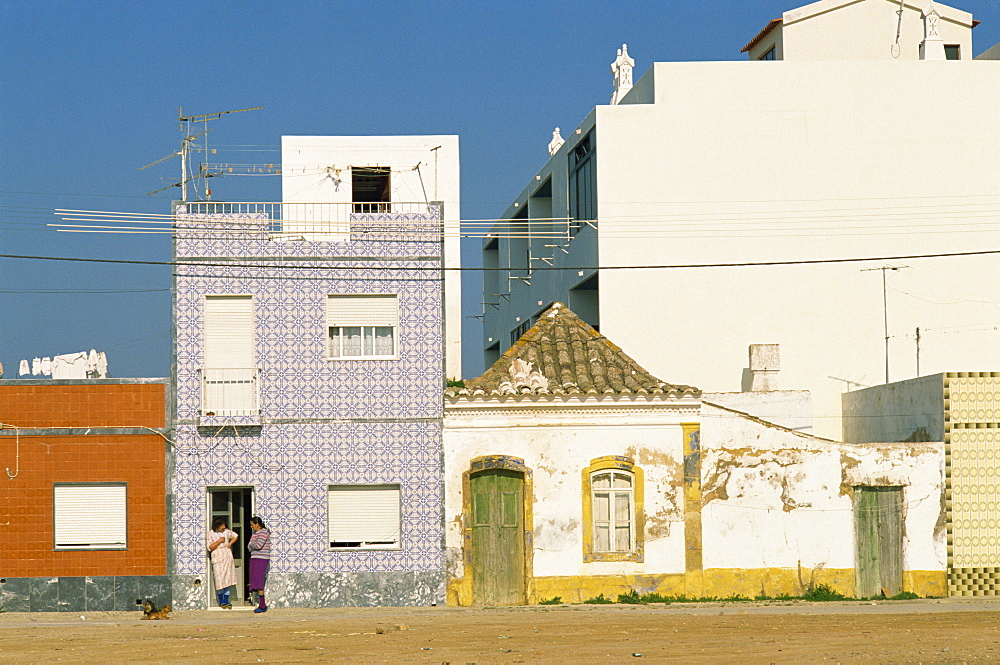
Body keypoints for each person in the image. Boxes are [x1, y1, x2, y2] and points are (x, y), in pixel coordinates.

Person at [207, 516, 238, 609]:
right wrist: (219, 541)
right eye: (222, 525)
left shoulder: (226, 532)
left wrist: (230, 543)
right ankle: (221, 600)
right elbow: (210, 547)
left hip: (226, 555)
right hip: (218, 555)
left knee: (228, 577)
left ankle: (227, 599)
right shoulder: (210, 533)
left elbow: (235, 536)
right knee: (219, 578)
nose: (223, 527)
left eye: (224, 525)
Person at [248, 516, 271, 613]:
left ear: (257, 524)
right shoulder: (255, 534)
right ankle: (261, 604)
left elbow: (257, 545)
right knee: (255, 581)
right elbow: (249, 547)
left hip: (262, 559)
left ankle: (262, 605)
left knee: (259, 581)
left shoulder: (264, 532)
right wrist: (252, 545)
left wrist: (252, 544)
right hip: (254, 558)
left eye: (252, 524)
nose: (251, 527)